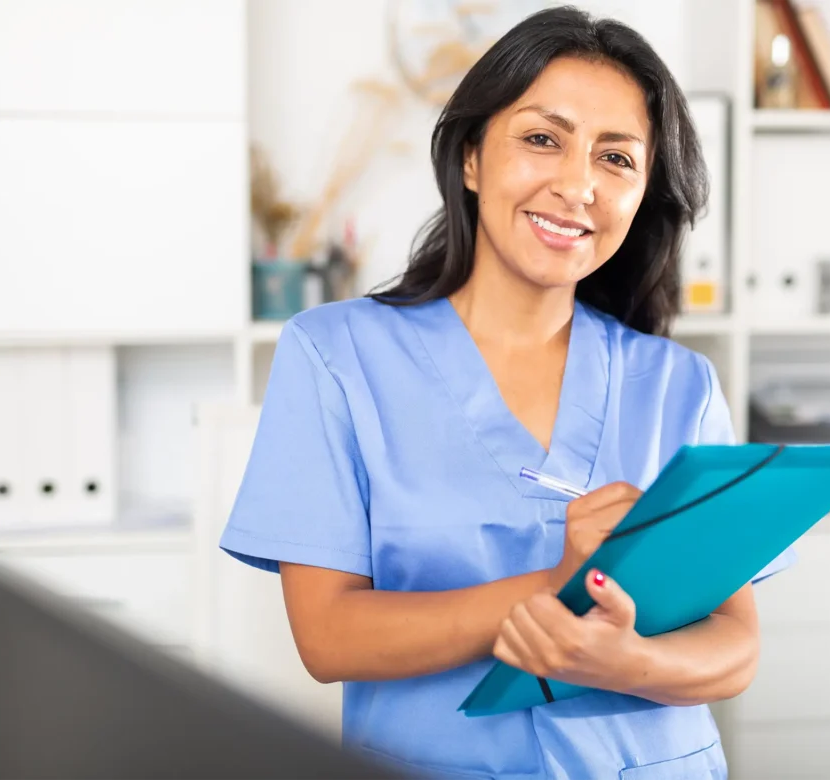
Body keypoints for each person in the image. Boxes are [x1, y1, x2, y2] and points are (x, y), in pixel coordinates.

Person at [219, 6, 795, 778]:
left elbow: (735, 646)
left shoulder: (678, 387)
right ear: (470, 158)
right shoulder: (336, 356)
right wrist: (558, 589)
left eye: (617, 159)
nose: (577, 184)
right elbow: (328, 639)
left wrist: (622, 660)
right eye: (541, 138)